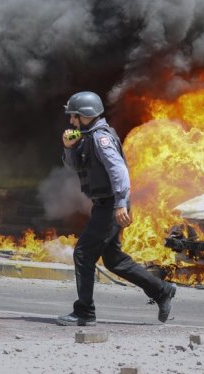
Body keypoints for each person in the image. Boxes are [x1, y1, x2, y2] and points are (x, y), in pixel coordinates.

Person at [57, 91, 176, 326]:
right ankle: (161, 291)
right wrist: (69, 147)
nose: (71, 121)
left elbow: (119, 171)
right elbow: (74, 166)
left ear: (86, 115)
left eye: (74, 116)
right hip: (105, 204)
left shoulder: (101, 139)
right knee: (113, 260)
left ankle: (84, 312)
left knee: (83, 253)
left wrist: (121, 203)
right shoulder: (87, 136)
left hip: (111, 205)